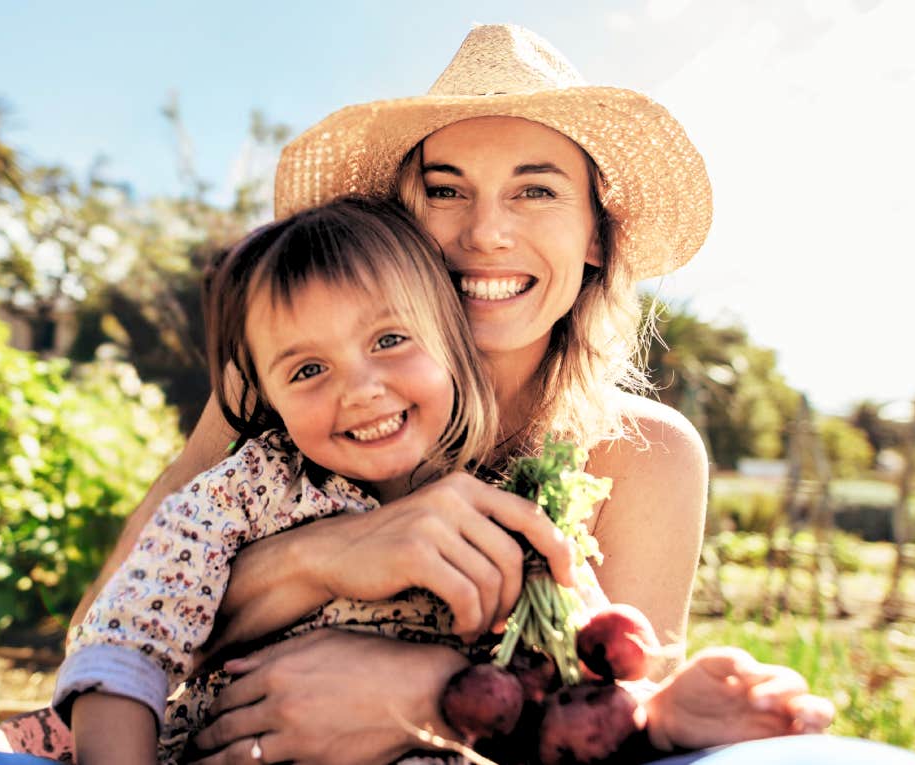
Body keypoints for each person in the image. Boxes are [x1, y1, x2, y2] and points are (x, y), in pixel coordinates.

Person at [0, 23, 915, 765]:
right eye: (444, 190)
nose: (484, 232)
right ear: (394, 220)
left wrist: (424, 691)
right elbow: (114, 626)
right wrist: (328, 558)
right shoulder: (272, 401)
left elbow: (611, 707)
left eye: (535, 191)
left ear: (595, 238)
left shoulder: (645, 453)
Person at [58, 194, 569, 765]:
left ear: (452, 340)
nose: (359, 389)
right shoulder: (238, 495)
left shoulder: (513, 511)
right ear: (264, 394)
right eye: (307, 370)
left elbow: (573, 683)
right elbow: (124, 649)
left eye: (389, 340)